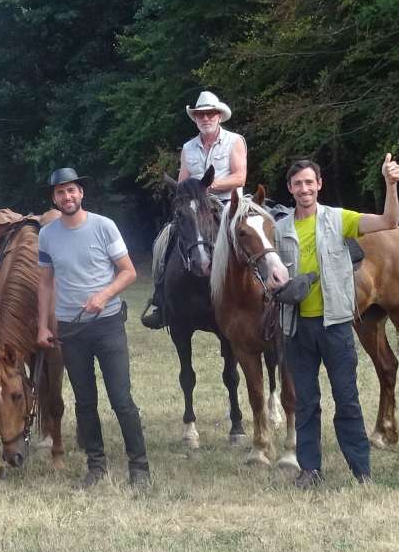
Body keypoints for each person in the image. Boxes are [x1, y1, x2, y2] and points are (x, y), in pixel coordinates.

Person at [270, 155, 399, 488]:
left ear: (319, 184)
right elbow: (267, 273)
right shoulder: (279, 230)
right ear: (290, 189)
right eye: (298, 184)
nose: (304, 189)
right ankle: (310, 470)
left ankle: (361, 470)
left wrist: (390, 185)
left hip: (336, 325)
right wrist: (275, 286)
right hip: (296, 328)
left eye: (309, 182)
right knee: (305, 402)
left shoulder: (338, 219)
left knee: (346, 399)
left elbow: (389, 220)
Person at [35, 167, 148, 489]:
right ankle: (95, 466)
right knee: (85, 402)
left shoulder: (104, 226)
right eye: (60, 192)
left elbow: (128, 272)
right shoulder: (47, 235)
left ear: (81, 193)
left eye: (71, 190)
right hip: (71, 330)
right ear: (54, 199)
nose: (67, 196)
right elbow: (45, 283)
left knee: (121, 399)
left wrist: (103, 295)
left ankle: (139, 467)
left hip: (108, 324)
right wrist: (43, 326)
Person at [142, 90, 247, 330]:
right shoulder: (188, 148)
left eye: (210, 113)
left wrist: (206, 188)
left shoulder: (235, 141)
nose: (205, 118)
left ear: (219, 115)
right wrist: (184, 194)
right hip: (194, 206)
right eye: (200, 114)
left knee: (251, 237)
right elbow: (182, 182)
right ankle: (161, 299)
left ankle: (263, 294)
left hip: (227, 204)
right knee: (163, 239)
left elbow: (240, 177)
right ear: (195, 118)